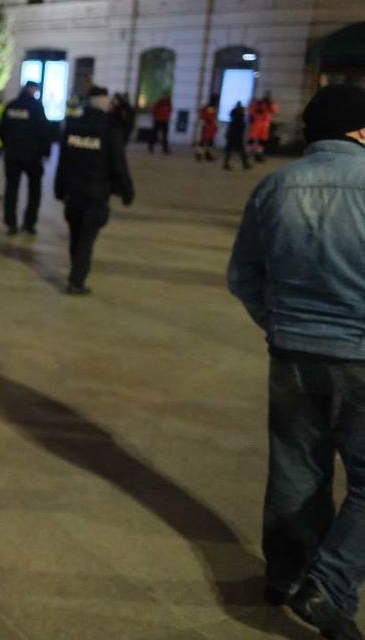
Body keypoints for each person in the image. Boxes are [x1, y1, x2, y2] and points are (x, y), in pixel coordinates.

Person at [227, 84, 365, 640]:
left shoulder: (274, 186)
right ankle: (328, 585)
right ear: (359, 131)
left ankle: (284, 577)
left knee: (295, 469)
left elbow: (242, 276)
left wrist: (277, 321)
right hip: (360, 354)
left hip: (291, 352)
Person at [53, 85, 134, 295]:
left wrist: (59, 188)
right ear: (105, 103)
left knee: (76, 235)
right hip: (96, 194)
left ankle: (75, 271)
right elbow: (118, 163)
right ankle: (76, 280)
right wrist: (127, 191)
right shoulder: (110, 129)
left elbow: (62, 161)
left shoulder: (72, 125)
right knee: (87, 239)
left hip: (74, 193)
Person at [0, 82, 52, 235]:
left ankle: (11, 223)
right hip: (33, 157)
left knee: (11, 190)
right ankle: (29, 223)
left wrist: (8, 145)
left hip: (12, 155)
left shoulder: (11, 105)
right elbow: (44, 131)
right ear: (32, 90)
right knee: (34, 191)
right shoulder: (36, 107)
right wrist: (45, 152)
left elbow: (1, 129)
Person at [249, 92, 279, 163]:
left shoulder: (269, 104)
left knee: (261, 141)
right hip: (259, 124)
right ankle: (249, 154)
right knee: (252, 140)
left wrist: (271, 104)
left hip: (264, 125)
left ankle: (258, 155)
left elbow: (275, 111)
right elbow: (252, 111)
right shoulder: (259, 104)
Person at [224, 101, 251, 171]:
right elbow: (242, 128)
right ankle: (245, 164)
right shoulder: (240, 118)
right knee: (242, 150)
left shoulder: (233, 117)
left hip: (232, 134)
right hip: (237, 136)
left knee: (229, 150)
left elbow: (230, 126)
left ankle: (226, 163)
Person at [196, 96, 220, 162]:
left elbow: (203, 119)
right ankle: (204, 155)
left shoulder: (207, 109)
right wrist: (215, 127)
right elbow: (212, 119)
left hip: (208, 129)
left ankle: (201, 155)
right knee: (207, 142)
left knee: (205, 142)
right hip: (208, 129)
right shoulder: (210, 109)